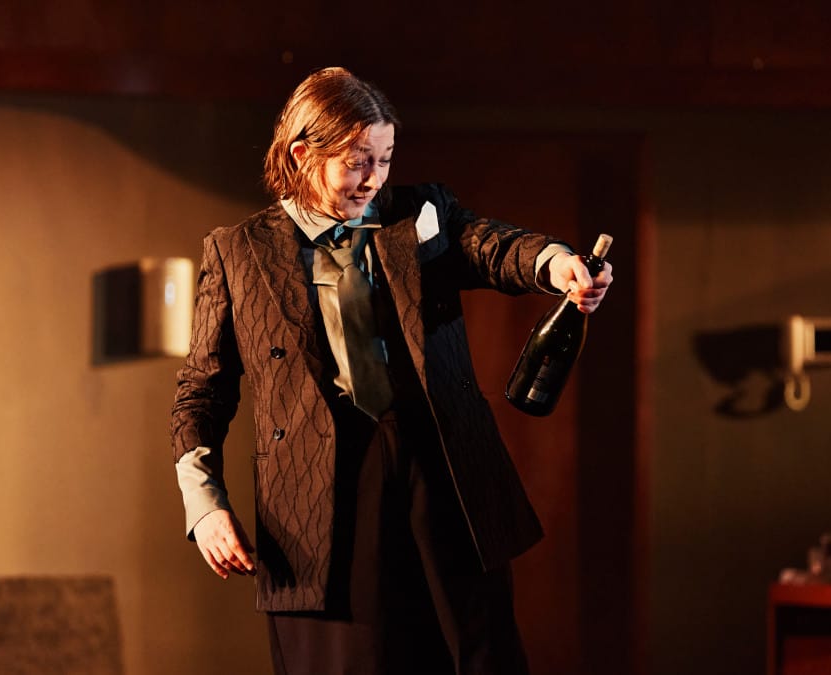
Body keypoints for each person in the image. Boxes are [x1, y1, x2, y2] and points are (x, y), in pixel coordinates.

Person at [172, 66, 613, 675]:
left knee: (479, 657)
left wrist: (555, 262)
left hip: (442, 472)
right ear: (302, 155)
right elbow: (201, 392)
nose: (375, 179)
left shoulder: (420, 211)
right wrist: (205, 504)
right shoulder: (237, 252)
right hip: (320, 498)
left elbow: (494, 246)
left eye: (384, 160)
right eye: (358, 162)